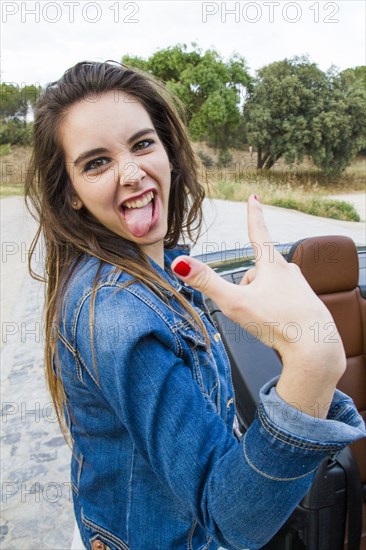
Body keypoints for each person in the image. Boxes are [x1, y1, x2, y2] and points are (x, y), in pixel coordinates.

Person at [25, 61, 365, 550]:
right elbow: (232, 520)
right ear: (71, 194)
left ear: (167, 152)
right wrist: (313, 365)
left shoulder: (157, 272)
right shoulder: (120, 314)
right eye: (96, 162)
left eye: (142, 144)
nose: (131, 172)